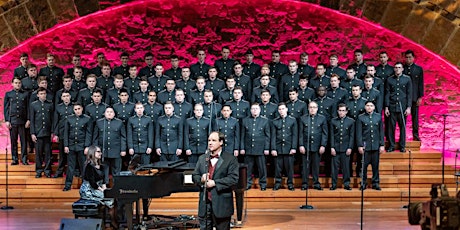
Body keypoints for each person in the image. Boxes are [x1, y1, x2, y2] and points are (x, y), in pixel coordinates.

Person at [192, 131, 239, 230]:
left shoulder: (230, 159)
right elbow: (194, 175)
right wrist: (201, 179)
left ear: (221, 142)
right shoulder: (202, 158)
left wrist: (215, 183)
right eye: (209, 140)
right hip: (205, 205)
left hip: (222, 204)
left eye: (214, 140)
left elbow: (233, 179)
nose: (210, 143)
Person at [79, 145, 118, 228]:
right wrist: (102, 190)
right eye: (98, 152)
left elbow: (103, 182)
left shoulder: (102, 166)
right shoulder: (89, 166)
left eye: (100, 151)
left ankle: (112, 221)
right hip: (89, 190)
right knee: (109, 199)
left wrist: (105, 190)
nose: (101, 153)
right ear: (92, 153)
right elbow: (92, 183)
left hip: (98, 188)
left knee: (112, 197)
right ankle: (112, 222)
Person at [240, 103, 270, 190]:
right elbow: (242, 135)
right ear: (250, 110)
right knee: (248, 169)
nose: (254, 110)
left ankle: (263, 184)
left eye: (256, 109)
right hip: (248, 148)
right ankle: (248, 183)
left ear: (260, 110)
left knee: (262, 168)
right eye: (253, 109)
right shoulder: (245, 120)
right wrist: (242, 147)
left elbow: (267, 136)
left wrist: (267, 148)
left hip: (260, 148)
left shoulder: (265, 120)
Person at [63, 102, 92, 191]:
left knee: (84, 166)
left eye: (79, 109)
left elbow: (88, 133)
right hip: (71, 145)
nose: (77, 111)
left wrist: (87, 146)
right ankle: (68, 185)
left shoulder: (87, 119)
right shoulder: (69, 119)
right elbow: (66, 133)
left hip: (82, 146)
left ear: (82, 109)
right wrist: (66, 145)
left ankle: (85, 186)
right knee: (70, 167)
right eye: (75, 109)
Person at [93, 107, 127, 184]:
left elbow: (123, 137)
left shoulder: (119, 122)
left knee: (116, 170)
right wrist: (95, 150)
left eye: (111, 112)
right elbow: (95, 137)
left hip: (116, 151)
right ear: (104, 113)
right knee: (104, 170)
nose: (109, 113)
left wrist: (123, 149)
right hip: (103, 151)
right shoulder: (99, 122)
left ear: (114, 114)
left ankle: (116, 186)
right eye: (107, 112)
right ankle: (104, 186)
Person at [299, 101, 327, 190]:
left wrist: (323, 145)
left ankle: (316, 183)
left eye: (314, 107)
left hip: (317, 146)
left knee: (316, 166)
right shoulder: (303, 118)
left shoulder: (322, 118)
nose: (312, 109)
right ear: (308, 108)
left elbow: (325, 133)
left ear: (317, 108)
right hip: (306, 146)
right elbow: (300, 133)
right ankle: (304, 184)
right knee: (305, 166)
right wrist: (301, 145)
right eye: (310, 107)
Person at [356, 101, 384, 190]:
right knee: (363, 167)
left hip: (375, 146)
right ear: (365, 107)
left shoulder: (378, 117)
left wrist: (382, 144)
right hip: (365, 147)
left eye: (371, 106)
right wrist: (360, 145)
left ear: (374, 107)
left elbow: (381, 132)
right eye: (367, 105)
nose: (369, 107)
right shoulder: (360, 118)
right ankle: (363, 183)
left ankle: (375, 183)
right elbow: (359, 133)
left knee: (375, 167)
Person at [385, 62, 412, 152]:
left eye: (399, 67)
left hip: (402, 107)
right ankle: (391, 145)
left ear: (402, 69)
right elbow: (387, 93)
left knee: (402, 127)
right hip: (392, 106)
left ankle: (402, 146)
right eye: (396, 67)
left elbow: (409, 94)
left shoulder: (407, 79)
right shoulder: (389, 79)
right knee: (391, 128)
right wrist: (386, 107)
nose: (397, 69)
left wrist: (408, 107)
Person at [271, 103, 297, 191]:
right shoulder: (275, 121)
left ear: (287, 109)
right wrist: (273, 148)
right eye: (280, 109)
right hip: (278, 148)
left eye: (283, 109)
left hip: (289, 148)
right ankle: (277, 183)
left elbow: (294, 135)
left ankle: (290, 184)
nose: (281, 111)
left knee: (289, 168)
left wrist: (293, 147)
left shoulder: (292, 120)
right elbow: (273, 136)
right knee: (277, 168)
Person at [4, 77, 30, 165]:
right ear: (12, 84)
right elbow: (6, 108)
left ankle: (24, 159)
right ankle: (14, 159)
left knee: (24, 141)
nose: (17, 84)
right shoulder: (8, 94)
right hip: (13, 121)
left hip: (23, 121)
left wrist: (28, 119)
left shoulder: (25, 94)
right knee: (13, 141)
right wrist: (7, 120)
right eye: (16, 83)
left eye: (19, 83)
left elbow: (28, 108)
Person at [29, 87, 54, 178]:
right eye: (41, 94)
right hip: (38, 133)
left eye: (44, 93)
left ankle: (47, 170)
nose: (43, 95)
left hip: (47, 133)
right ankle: (39, 171)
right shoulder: (33, 105)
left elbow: (52, 119)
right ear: (38, 95)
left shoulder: (50, 104)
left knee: (48, 153)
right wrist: (32, 133)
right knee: (38, 153)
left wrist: (52, 132)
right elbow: (32, 120)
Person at [329, 104, 354, 190]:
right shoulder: (333, 121)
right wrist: (332, 147)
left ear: (346, 112)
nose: (341, 112)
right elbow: (331, 135)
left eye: (343, 111)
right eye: (340, 110)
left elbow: (351, 136)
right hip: (335, 147)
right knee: (334, 168)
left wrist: (350, 147)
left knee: (346, 168)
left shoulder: (351, 121)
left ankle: (346, 184)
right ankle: (334, 184)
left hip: (345, 148)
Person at [52, 90, 75, 177]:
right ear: (61, 98)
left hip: (72, 134)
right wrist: (56, 133)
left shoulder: (74, 107)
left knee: (71, 155)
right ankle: (60, 171)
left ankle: (72, 172)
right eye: (64, 96)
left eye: (67, 96)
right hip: (62, 133)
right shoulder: (58, 107)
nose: (66, 98)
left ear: (70, 97)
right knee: (62, 154)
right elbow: (56, 121)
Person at [404, 50, 424, 141]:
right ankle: (402, 135)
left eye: (410, 57)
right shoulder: (402, 68)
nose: (408, 59)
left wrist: (420, 97)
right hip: (404, 98)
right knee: (403, 118)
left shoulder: (418, 69)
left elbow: (420, 84)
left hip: (414, 97)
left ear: (413, 58)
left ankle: (415, 135)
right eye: (407, 57)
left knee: (415, 118)